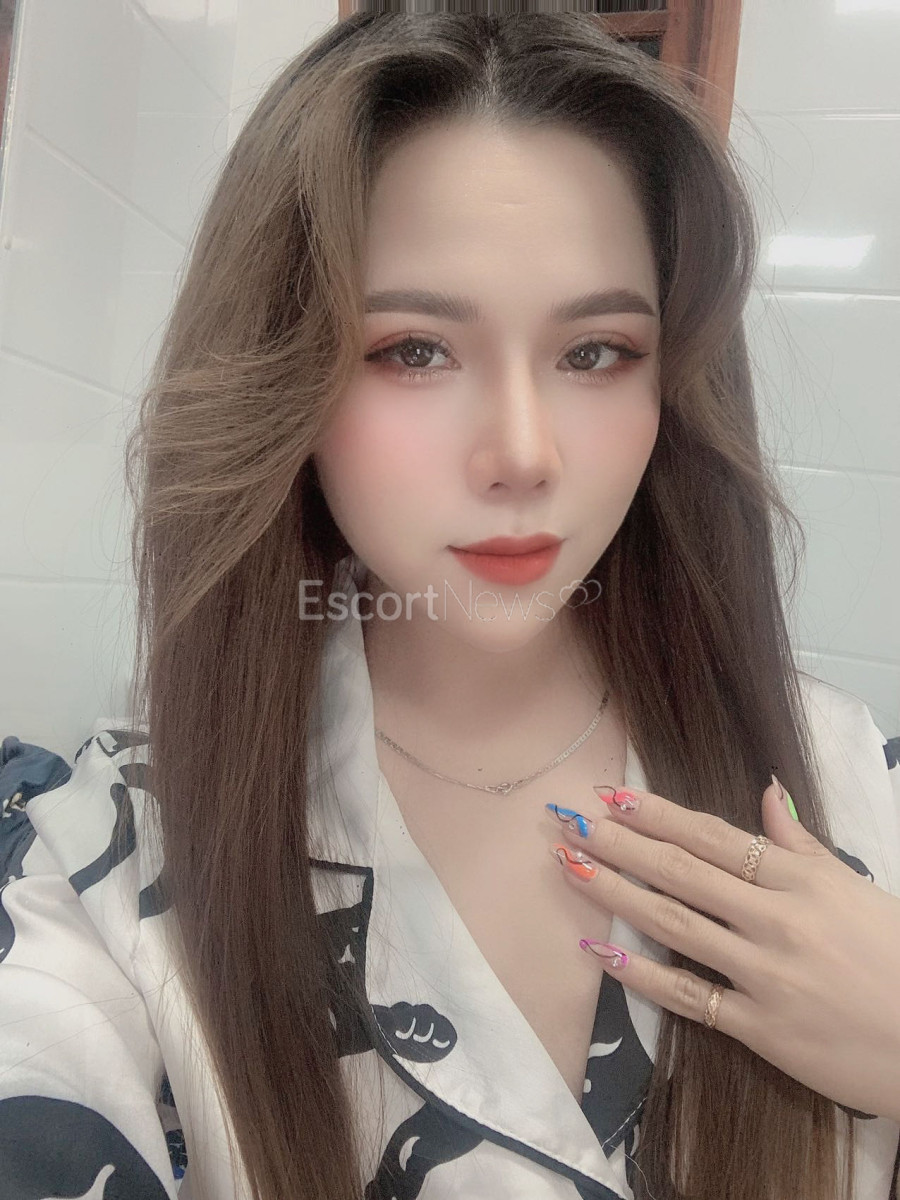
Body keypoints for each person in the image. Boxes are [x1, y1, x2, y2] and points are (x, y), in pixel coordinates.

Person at [2, 10, 899, 1200]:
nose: (523, 454)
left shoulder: (847, 785)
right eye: (415, 350)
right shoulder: (116, 860)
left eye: (596, 352)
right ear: (285, 378)